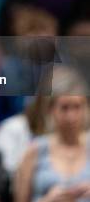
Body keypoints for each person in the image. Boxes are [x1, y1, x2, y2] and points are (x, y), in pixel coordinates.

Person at [15, 67, 90, 202]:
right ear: (51, 109)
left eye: (77, 107)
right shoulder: (35, 151)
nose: (71, 116)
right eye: (64, 108)